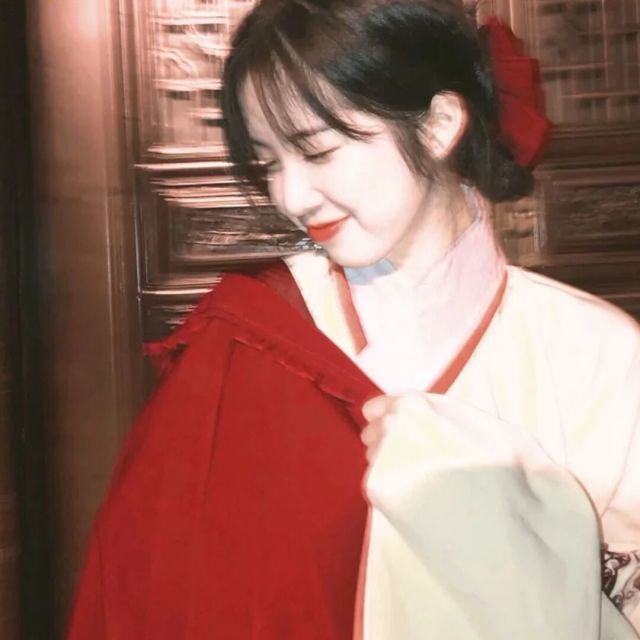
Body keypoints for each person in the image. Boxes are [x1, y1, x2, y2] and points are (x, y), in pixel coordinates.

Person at [67, 1, 640, 638]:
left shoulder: (600, 357)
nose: (289, 196)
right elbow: (149, 596)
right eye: (269, 162)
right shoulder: (246, 339)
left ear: (438, 125)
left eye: (317, 151)